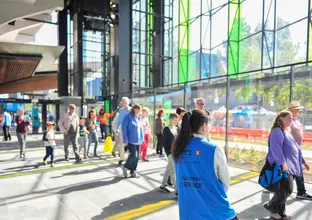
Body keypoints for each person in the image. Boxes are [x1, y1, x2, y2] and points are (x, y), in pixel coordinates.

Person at [173, 110, 237, 220]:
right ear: (203, 126)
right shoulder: (213, 149)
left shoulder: (178, 149)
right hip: (217, 212)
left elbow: (180, 180)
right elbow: (225, 184)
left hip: (188, 213)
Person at [263, 110, 305, 220]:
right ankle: (272, 206)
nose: (291, 120)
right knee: (287, 189)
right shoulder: (277, 131)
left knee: (285, 190)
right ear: (281, 118)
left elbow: (296, 148)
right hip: (281, 166)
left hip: (290, 166)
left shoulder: (286, 132)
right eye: (288, 118)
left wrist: (303, 161)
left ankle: (281, 213)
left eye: (291, 118)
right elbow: (276, 149)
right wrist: (283, 163)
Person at [287, 101, 312, 200]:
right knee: (295, 172)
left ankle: (300, 192)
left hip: (296, 150)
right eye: (298, 109)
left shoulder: (296, 121)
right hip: (291, 151)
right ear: (292, 110)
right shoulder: (289, 122)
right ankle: (300, 192)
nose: (300, 111)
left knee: (295, 173)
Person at [121, 104, 144, 178]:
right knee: (134, 155)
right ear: (133, 109)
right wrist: (125, 140)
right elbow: (124, 129)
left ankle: (133, 171)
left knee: (137, 157)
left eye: (139, 109)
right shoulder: (128, 117)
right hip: (131, 140)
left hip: (138, 140)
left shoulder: (139, 118)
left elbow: (141, 129)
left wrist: (142, 139)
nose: (138, 111)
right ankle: (125, 167)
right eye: (136, 109)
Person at [159, 113, 179, 195]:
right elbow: (164, 142)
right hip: (170, 152)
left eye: (177, 120)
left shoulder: (177, 128)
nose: (176, 122)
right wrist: (168, 153)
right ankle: (177, 189)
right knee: (173, 170)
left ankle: (163, 185)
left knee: (169, 168)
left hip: (176, 152)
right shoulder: (166, 129)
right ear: (170, 119)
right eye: (175, 120)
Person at [113, 97, 131, 165]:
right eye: (122, 102)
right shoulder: (121, 110)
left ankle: (129, 158)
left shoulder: (131, 110)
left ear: (127, 103)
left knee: (130, 144)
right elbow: (119, 121)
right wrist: (117, 129)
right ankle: (121, 158)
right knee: (121, 144)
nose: (122, 104)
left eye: (124, 102)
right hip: (122, 129)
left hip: (130, 129)